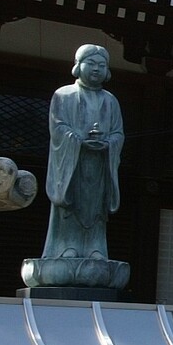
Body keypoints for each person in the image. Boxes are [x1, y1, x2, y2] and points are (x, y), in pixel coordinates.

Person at [42, 44, 124, 260]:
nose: (96, 69)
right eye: (91, 63)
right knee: (71, 205)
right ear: (78, 66)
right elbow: (58, 128)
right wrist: (77, 140)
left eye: (101, 65)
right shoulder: (63, 95)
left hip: (99, 165)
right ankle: (66, 247)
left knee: (97, 207)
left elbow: (118, 133)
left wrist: (108, 144)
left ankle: (96, 247)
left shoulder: (111, 101)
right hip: (72, 163)